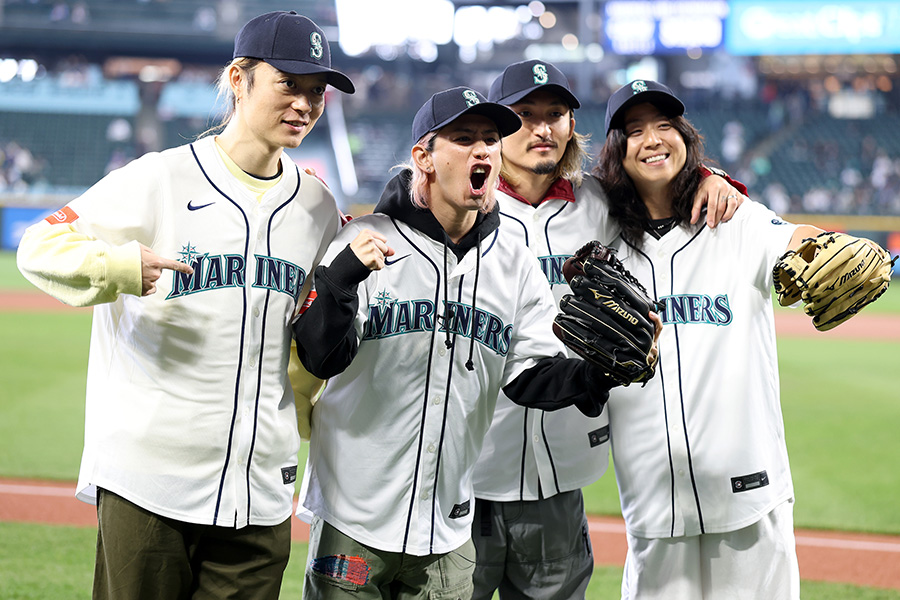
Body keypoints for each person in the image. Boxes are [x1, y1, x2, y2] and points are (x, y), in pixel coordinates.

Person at [16, 11, 356, 598]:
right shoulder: (161, 178)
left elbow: (313, 333)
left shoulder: (317, 207)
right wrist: (119, 267)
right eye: (288, 84)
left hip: (259, 492)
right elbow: (38, 246)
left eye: (316, 91)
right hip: (148, 484)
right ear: (239, 79)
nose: (304, 103)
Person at [292, 86, 632, 600]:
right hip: (351, 520)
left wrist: (595, 374)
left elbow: (530, 375)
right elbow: (321, 356)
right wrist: (339, 282)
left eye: (491, 139)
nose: (484, 151)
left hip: (447, 530)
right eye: (464, 138)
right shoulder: (365, 239)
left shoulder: (513, 261)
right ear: (423, 157)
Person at [470, 59, 749, 600]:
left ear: (572, 125)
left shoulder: (600, 203)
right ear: (499, 126)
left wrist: (713, 180)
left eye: (555, 114)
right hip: (466, 468)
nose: (542, 128)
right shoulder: (462, 203)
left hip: (561, 473)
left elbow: (665, 188)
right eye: (524, 115)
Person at [595, 79, 826, 600]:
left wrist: (826, 245)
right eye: (635, 130)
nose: (653, 139)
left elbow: (791, 239)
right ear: (617, 150)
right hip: (654, 505)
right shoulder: (603, 241)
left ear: (685, 137)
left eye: (664, 125)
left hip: (750, 495)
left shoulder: (735, 219)